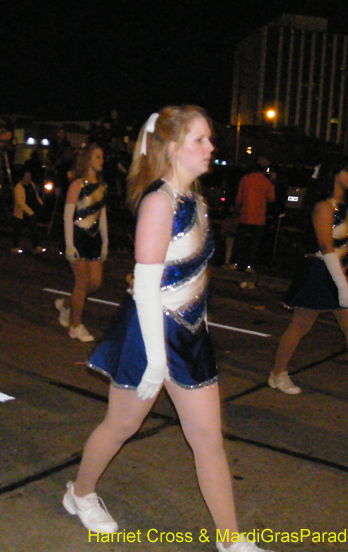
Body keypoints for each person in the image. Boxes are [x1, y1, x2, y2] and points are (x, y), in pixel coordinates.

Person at [62, 107, 268, 552]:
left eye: (209, 139)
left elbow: (195, 276)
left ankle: (231, 542)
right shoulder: (159, 202)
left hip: (188, 334)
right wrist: (156, 361)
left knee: (208, 440)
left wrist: (199, 328)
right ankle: (79, 493)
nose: (211, 147)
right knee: (121, 425)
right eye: (200, 140)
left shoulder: (196, 201)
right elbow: (147, 288)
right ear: (173, 148)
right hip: (149, 331)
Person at [268, 156, 348, 407]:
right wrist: (342, 285)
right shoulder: (323, 206)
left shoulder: (345, 206)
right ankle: (277, 373)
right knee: (301, 325)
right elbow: (326, 246)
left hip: (338, 272)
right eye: (347, 171)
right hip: (320, 274)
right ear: (333, 175)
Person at [55, 143, 108, 343]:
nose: (101, 161)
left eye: (102, 157)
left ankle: (66, 305)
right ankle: (76, 326)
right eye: (97, 157)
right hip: (77, 236)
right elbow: (68, 216)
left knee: (95, 283)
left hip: (94, 238)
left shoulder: (102, 186)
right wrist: (69, 244)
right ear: (87, 159)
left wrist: (105, 242)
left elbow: (102, 216)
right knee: (82, 282)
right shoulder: (77, 185)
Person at [232, 156, 275, 275]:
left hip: (244, 215)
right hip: (259, 218)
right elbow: (271, 199)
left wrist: (236, 212)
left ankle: (237, 263)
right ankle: (249, 265)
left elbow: (239, 199)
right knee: (254, 244)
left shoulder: (245, 179)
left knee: (241, 241)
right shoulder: (266, 182)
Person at [12, 169, 45, 254]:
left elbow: (35, 195)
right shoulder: (19, 187)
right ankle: (15, 246)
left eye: (29, 176)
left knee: (34, 229)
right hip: (22, 212)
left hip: (31, 209)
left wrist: (40, 204)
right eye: (27, 176)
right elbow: (20, 202)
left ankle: (36, 245)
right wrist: (29, 211)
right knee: (18, 230)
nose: (29, 178)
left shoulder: (31, 185)